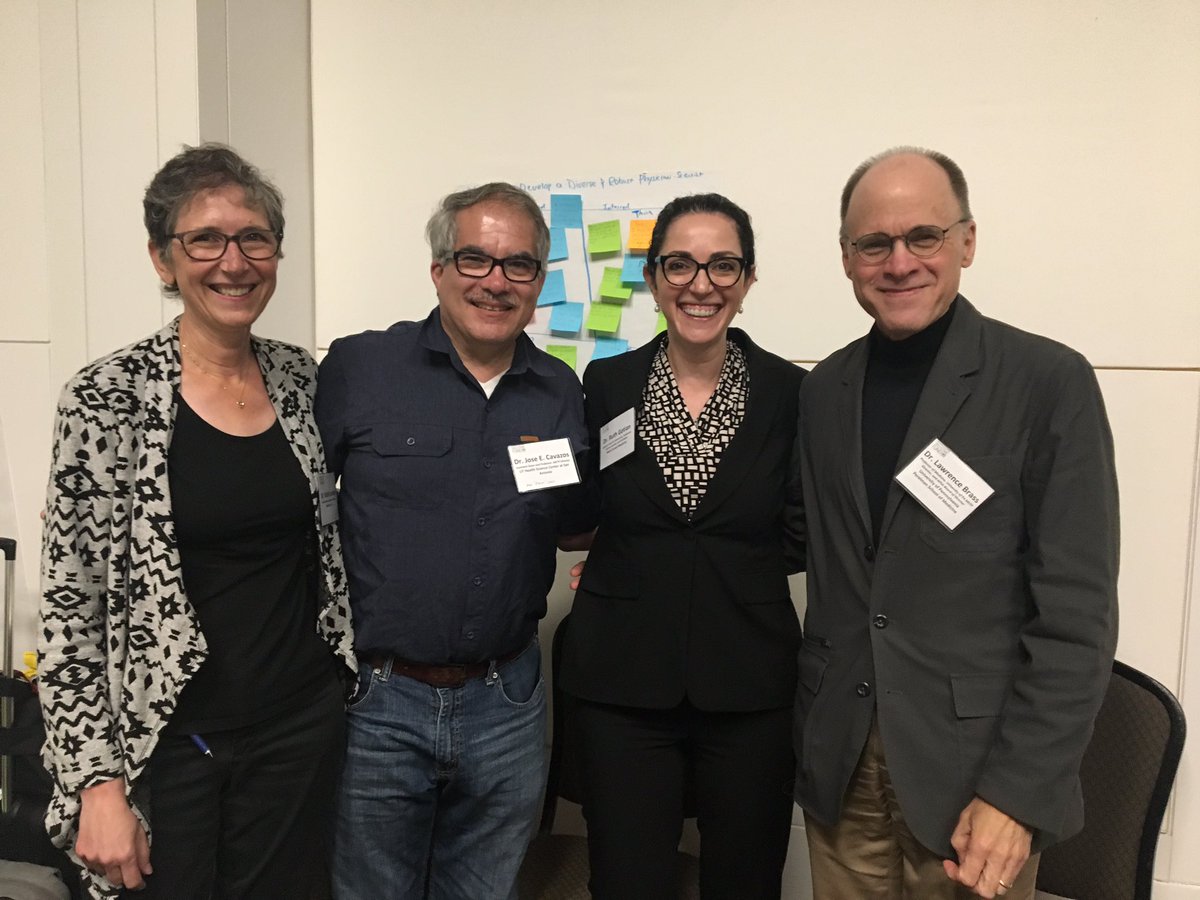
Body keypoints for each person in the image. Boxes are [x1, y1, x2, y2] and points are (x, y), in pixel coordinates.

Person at [792, 147, 1119, 900]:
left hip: (977, 778)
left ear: (967, 240)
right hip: (843, 765)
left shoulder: (1047, 382)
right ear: (847, 258)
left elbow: (1077, 617)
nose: (899, 262)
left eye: (924, 237)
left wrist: (1019, 793)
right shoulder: (826, 390)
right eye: (875, 243)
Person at [37, 144, 356, 899]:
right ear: (162, 258)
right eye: (205, 239)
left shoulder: (302, 379)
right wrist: (95, 784)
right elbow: (68, 606)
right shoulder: (107, 398)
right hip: (170, 743)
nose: (234, 261)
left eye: (254, 238)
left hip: (298, 727)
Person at [315, 182, 596, 899]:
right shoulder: (360, 369)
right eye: (475, 258)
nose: (496, 282)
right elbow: (292, 508)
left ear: (538, 283)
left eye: (519, 265)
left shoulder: (559, 391)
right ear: (439, 268)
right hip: (379, 703)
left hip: (508, 703)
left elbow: (569, 519)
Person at [558, 194, 806, 899]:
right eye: (680, 264)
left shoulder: (791, 392)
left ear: (749, 279)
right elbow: (593, 508)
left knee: (746, 878)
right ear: (653, 276)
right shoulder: (606, 383)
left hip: (750, 680)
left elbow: (800, 527)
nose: (702, 284)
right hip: (621, 680)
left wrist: (714, 574)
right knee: (628, 878)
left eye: (724, 265)